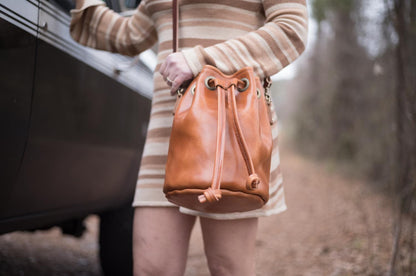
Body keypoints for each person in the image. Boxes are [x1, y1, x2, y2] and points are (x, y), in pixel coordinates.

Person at [70, 0, 308, 275]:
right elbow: (130, 34)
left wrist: (200, 60)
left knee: (228, 267)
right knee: (152, 268)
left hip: (232, 134)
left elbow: (292, 29)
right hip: (167, 138)